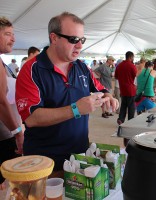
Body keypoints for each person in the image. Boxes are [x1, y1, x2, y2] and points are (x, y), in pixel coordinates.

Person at [15, 12, 118, 175]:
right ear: (54, 38)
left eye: (82, 40)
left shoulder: (82, 67)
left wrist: (108, 96)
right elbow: (31, 118)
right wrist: (75, 109)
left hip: (80, 157)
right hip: (45, 163)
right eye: (73, 40)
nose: (80, 46)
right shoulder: (31, 70)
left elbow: (100, 87)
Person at [0, 17, 24, 190]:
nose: (13, 39)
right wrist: (17, 132)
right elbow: (1, 101)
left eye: (13, 34)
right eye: (8, 34)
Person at [114, 51, 136, 125]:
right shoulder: (132, 66)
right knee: (131, 107)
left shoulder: (119, 66)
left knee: (123, 105)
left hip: (122, 89)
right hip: (130, 90)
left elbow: (116, 76)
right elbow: (135, 76)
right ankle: (131, 121)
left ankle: (121, 119)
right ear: (131, 57)